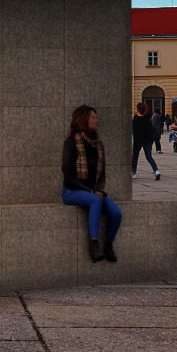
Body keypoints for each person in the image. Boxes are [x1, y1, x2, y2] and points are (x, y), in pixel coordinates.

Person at [61, 104, 121, 263]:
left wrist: (98, 189)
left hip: (93, 191)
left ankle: (108, 245)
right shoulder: (71, 142)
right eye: (93, 117)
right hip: (72, 191)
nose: (97, 120)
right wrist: (91, 191)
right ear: (84, 119)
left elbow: (102, 174)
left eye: (96, 117)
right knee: (95, 200)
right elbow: (68, 175)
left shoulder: (98, 144)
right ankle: (94, 244)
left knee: (116, 213)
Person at [130, 102, 161, 179]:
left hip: (138, 140)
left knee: (135, 156)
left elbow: (134, 131)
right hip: (148, 140)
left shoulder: (136, 119)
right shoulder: (148, 118)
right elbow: (151, 129)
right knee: (149, 156)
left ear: (137, 109)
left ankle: (133, 173)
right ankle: (156, 171)